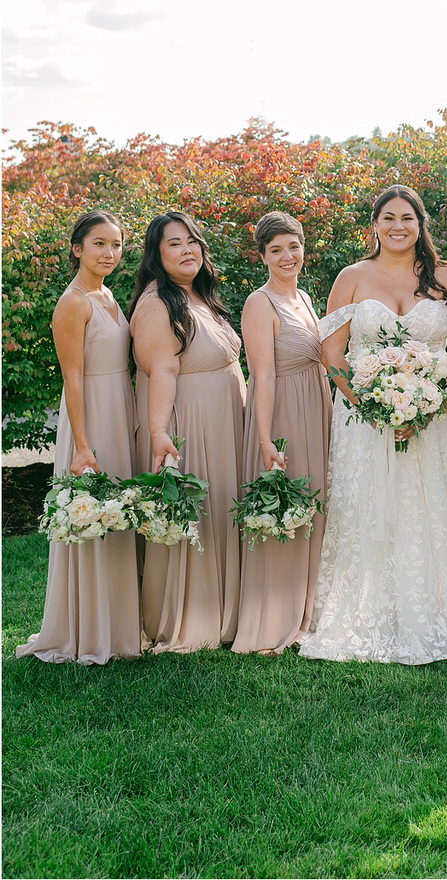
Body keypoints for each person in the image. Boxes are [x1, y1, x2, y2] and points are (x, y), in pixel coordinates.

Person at [299, 185, 447, 664]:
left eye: (407, 217)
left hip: (437, 417)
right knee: (374, 507)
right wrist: (371, 406)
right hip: (363, 419)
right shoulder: (351, 276)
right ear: (375, 225)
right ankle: (371, 611)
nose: (398, 226)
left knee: (433, 504)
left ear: (420, 224)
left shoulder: (446, 277)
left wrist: (432, 404)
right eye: (388, 217)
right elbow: (332, 352)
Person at [17, 211, 141, 664]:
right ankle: (88, 631)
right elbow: (73, 378)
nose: (109, 253)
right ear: (77, 249)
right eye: (99, 244)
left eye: (116, 244)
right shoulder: (73, 303)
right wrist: (83, 445)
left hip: (118, 408)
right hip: (90, 417)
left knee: (119, 514)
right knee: (94, 516)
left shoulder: (107, 295)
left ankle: (121, 626)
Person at [129, 211, 245, 653]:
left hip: (222, 420)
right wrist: (160, 433)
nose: (186, 250)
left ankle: (223, 608)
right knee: (199, 515)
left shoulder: (196, 295)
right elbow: (161, 370)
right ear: (157, 255)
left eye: (191, 241)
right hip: (191, 424)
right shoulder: (159, 302)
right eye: (173, 244)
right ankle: (187, 616)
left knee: (219, 511)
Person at [232, 212, 332, 655]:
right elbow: (263, 376)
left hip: (317, 405)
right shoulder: (260, 303)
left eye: (293, 246)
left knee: (317, 503)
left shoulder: (305, 297)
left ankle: (312, 608)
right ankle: (275, 617)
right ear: (262, 257)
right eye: (276, 250)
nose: (287, 256)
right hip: (284, 414)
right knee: (288, 507)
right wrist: (265, 439)